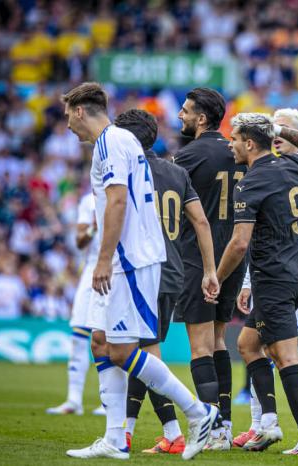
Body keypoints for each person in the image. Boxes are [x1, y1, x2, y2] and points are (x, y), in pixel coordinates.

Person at [61, 82, 216, 460]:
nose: (67, 125)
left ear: (81, 110)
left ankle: (199, 413)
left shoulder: (111, 142)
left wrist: (103, 259)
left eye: (68, 115)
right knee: (100, 341)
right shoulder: (121, 141)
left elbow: (116, 202)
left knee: (124, 350)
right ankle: (115, 439)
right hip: (132, 258)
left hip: (129, 261)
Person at [215, 112, 298, 455]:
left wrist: (216, 279)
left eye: (234, 139)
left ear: (249, 144)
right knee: (249, 344)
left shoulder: (250, 183)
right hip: (296, 274)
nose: (230, 144)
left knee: (286, 357)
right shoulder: (292, 165)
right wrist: (277, 130)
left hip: (274, 279)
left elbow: (238, 244)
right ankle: (269, 423)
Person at [114, 109, 218, 454]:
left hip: (144, 270)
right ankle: (132, 431)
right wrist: (209, 269)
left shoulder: (128, 171)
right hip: (174, 272)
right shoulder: (176, 172)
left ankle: (175, 429)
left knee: (141, 352)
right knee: (140, 350)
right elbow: (201, 222)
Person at [173, 88, 247, 450]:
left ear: (202, 118)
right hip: (234, 256)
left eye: (185, 111)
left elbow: (172, 211)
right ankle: (225, 427)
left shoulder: (186, 157)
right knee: (219, 342)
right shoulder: (241, 152)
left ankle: (210, 428)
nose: (180, 116)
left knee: (200, 348)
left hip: (198, 259)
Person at [46, 191, 105, 417]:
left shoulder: (126, 193)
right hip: (91, 270)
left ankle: (108, 402)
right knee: (78, 334)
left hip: (116, 269)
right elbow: (79, 242)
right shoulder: (88, 201)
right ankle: (73, 400)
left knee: (108, 338)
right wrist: (93, 227)